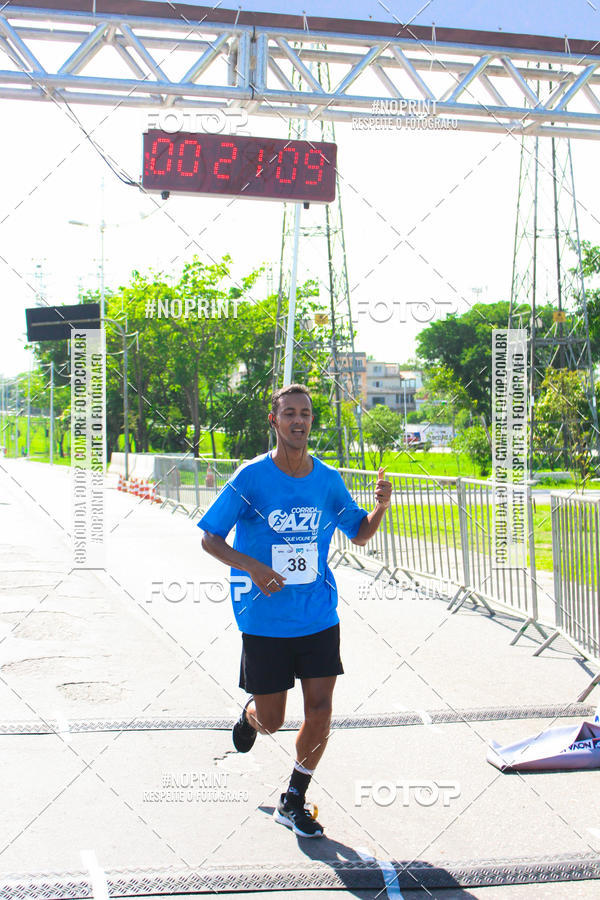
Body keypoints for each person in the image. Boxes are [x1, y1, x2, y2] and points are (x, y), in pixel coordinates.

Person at [198, 383, 392, 838]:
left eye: (305, 413)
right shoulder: (250, 478)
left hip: (317, 614)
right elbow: (210, 537)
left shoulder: (326, 479)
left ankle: (294, 798)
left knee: (321, 710)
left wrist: (381, 507)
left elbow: (359, 532)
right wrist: (253, 566)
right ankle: (250, 717)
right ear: (274, 421)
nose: (298, 420)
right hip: (264, 618)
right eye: (289, 413)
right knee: (272, 720)